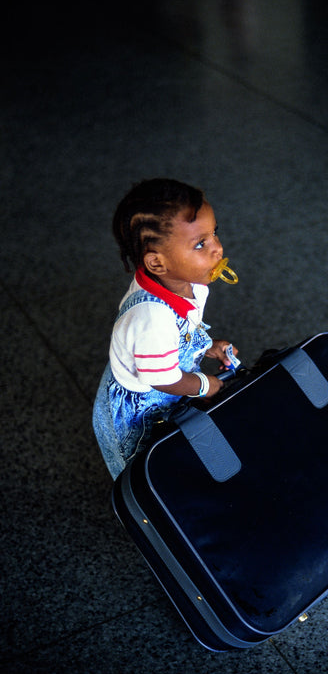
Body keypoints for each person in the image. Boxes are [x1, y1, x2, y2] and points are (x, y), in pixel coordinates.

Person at [92, 178, 238, 480]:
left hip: (163, 379)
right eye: (200, 243)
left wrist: (205, 346)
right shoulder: (151, 317)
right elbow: (161, 377)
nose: (217, 249)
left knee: (178, 441)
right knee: (143, 469)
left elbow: (184, 329)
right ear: (157, 264)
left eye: (214, 234)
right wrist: (205, 385)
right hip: (139, 411)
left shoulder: (191, 283)